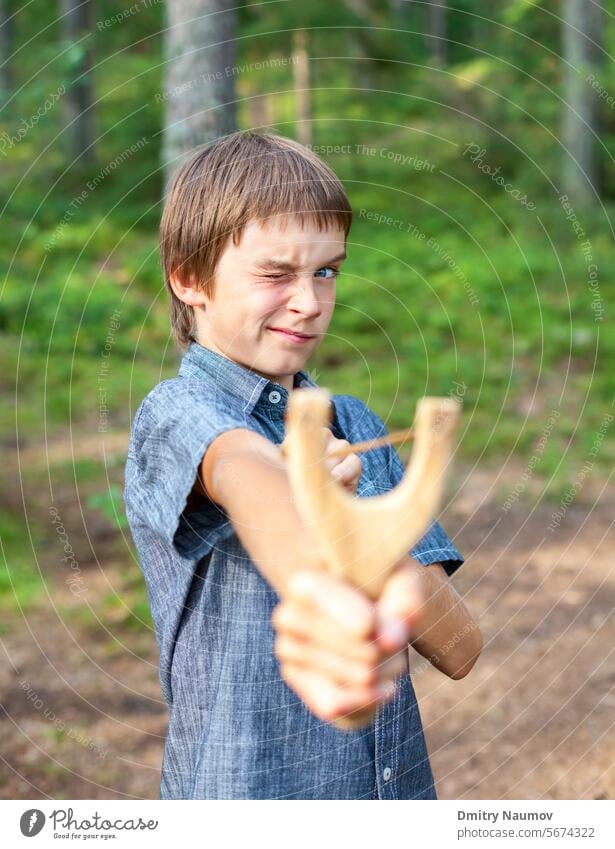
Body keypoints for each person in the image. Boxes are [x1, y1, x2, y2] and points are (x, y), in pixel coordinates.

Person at [123, 130, 482, 800]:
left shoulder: (352, 425)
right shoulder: (174, 414)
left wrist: (355, 531)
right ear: (187, 277)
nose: (309, 301)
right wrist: (315, 572)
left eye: (326, 270)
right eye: (275, 273)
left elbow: (459, 648)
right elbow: (241, 469)